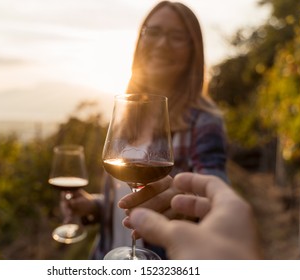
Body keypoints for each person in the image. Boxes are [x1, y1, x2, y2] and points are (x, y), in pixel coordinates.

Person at [69, 1, 229, 259]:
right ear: (140, 39)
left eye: (176, 36)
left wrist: (183, 200)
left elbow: (217, 195)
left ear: (193, 50)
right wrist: (94, 205)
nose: (162, 43)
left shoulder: (204, 121)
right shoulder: (125, 113)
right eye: (153, 32)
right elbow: (127, 196)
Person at [128, 172, 262, 259]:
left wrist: (191, 214)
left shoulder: (203, 128)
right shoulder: (119, 131)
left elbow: (214, 183)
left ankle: (133, 255)